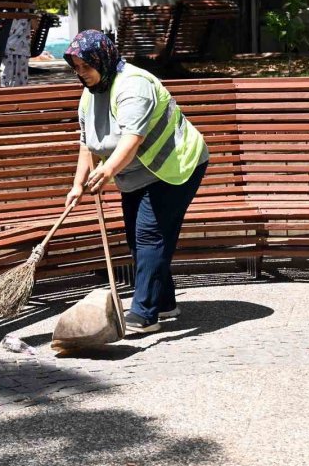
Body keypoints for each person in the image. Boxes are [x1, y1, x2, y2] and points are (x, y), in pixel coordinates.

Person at [64, 30, 209, 334]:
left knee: (148, 235)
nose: (81, 73)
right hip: (136, 172)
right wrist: (77, 184)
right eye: (76, 67)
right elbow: (86, 144)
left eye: (84, 66)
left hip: (175, 166)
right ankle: (165, 303)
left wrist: (106, 172)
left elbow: (133, 138)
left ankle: (144, 313)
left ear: (100, 59)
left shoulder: (133, 86)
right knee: (137, 237)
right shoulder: (91, 93)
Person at [1, 0, 35, 87]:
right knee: (6, 75)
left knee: (22, 77)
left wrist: (31, 11)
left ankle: (21, 93)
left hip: (23, 49)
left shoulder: (29, 11)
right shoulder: (10, 9)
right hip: (9, 48)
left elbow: (35, 26)